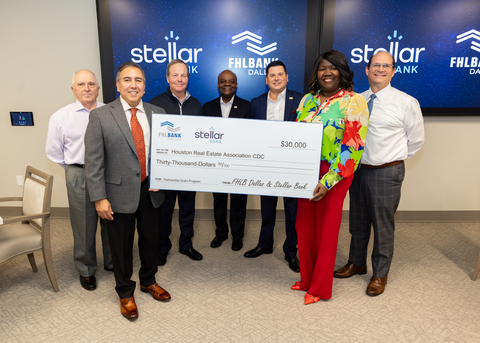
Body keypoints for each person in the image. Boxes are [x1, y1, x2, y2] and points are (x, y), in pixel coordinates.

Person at [334, 51, 425, 296]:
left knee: (383, 226)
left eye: (386, 66)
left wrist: (391, 161)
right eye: (376, 65)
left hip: (386, 172)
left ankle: (379, 274)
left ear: (393, 71)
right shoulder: (357, 100)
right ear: (367, 69)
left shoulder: (406, 102)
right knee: (358, 223)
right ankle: (357, 262)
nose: (380, 69)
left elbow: (416, 141)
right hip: (358, 171)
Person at [85, 62, 170, 321]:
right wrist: (99, 197)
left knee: (151, 241)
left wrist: (162, 176)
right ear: (118, 84)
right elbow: (94, 161)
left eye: (139, 80)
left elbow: (166, 154)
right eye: (128, 80)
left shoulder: (159, 113)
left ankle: (148, 280)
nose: (134, 85)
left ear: (145, 85)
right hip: (117, 194)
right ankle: (124, 292)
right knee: (121, 247)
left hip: (150, 191)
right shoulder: (100, 115)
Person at [292, 50, 369, 305]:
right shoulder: (307, 101)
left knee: (326, 229)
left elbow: (353, 149)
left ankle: (320, 288)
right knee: (303, 225)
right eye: (323, 68)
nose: (327, 72)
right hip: (305, 170)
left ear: (342, 72)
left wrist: (327, 181)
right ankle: (306, 279)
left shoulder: (353, 101)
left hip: (335, 172)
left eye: (333, 68)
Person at [45, 69, 112, 291]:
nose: (87, 88)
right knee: (83, 225)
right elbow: (54, 152)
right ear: (73, 89)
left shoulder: (110, 112)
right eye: (81, 84)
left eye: (91, 84)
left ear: (98, 88)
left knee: (111, 220)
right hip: (78, 174)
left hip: (109, 173)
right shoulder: (61, 117)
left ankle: (112, 262)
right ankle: (86, 269)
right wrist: (76, 169)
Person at [244, 61, 303, 273]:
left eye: (280, 74)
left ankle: (291, 251)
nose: (276, 78)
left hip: (292, 165)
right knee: (267, 207)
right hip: (266, 164)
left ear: (287, 77)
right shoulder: (257, 102)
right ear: (266, 79)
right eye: (272, 75)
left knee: (292, 211)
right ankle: (265, 244)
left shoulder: (301, 100)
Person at [150, 59, 203, 266]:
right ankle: (163, 247)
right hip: (165, 171)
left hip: (189, 170)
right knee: (165, 212)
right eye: (175, 75)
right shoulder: (155, 104)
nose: (179, 79)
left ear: (188, 78)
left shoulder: (197, 105)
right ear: (167, 78)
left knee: (188, 209)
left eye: (183, 75)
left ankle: (186, 245)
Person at [202, 70, 251, 251]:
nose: (227, 84)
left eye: (231, 81)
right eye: (223, 81)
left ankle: (237, 236)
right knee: (219, 201)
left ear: (236, 84)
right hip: (217, 165)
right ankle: (221, 233)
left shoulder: (247, 106)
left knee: (239, 202)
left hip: (239, 164)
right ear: (218, 84)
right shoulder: (207, 107)